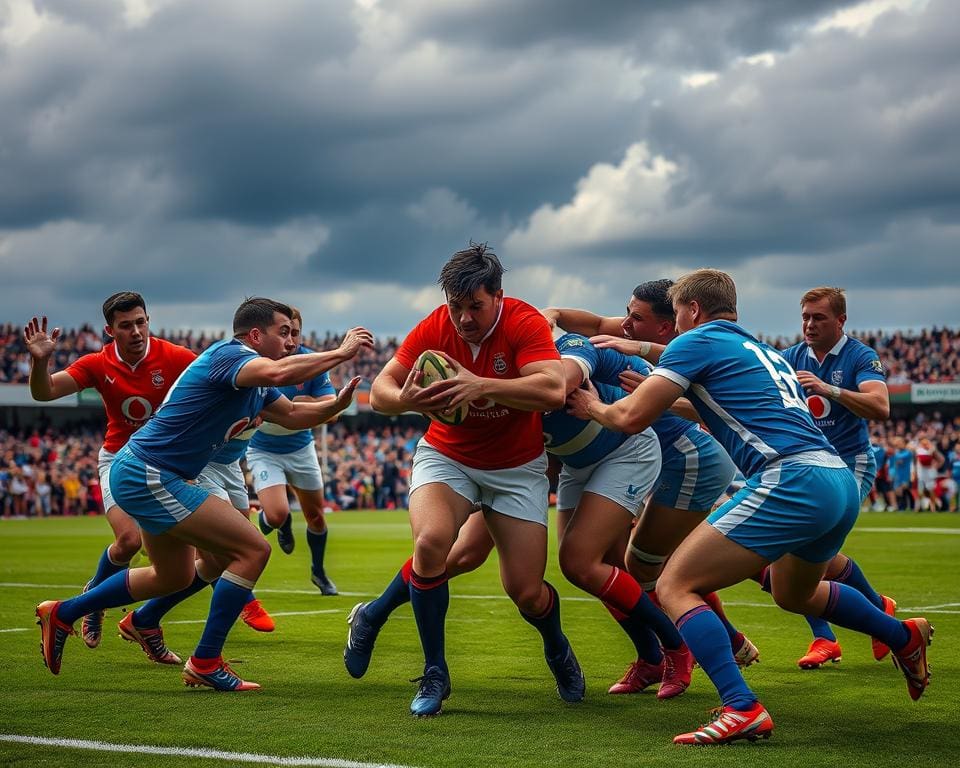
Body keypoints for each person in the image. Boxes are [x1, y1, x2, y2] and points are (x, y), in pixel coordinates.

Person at [566, 269, 932, 745]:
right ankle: (903, 636)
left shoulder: (693, 342)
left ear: (692, 310)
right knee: (793, 594)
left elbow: (628, 419)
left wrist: (590, 404)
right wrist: (654, 383)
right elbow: (719, 409)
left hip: (791, 478)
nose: (676, 324)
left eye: (677, 313)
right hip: (835, 479)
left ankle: (742, 707)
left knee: (676, 583)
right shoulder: (761, 349)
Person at [34, 298, 372, 691]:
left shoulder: (257, 386)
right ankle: (206, 661)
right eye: (283, 332)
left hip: (152, 473)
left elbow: (296, 415)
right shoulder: (230, 355)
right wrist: (342, 352)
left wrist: (337, 404)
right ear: (255, 335)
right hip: (151, 474)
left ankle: (63, 612)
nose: (291, 341)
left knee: (173, 576)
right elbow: (280, 371)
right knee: (251, 550)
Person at [361, 243, 583, 716]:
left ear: (498, 295)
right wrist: (412, 401)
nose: (463, 318)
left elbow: (552, 387)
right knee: (431, 544)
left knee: (526, 590)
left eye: (474, 307)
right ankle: (435, 673)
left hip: (517, 467)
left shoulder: (524, 322)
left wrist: (478, 384)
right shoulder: (434, 326)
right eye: (455, 306)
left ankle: (557, 646)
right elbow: (380, 393)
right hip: (448, 457)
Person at [545, 280, 756, 682]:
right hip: (637, 458)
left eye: (636, 318)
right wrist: (547, 317)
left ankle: (698, 648)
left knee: (645, 568)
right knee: (613, 567)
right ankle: (668, 652)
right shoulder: (629, 337)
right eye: (627, 312)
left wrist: (609, 403)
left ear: (666, 326)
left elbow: (705, 408)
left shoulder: (679, 354)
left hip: (686, 458)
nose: (623, 323)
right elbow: (582, 320)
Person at [24, 293, 197, 648]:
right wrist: (40, 363)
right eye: (126, 325)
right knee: (129, 541)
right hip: (119, 459)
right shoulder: (97, 363)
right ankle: (95, 604)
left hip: (165, 465)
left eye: (141, 322)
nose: (136, 331)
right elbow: (45, 393)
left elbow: (214, 384)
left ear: (148, 320)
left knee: (186, 563)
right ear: (110, 330)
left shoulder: (177, 357)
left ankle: (123, 609)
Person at [780, 286, 897, 668]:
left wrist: (829, 388)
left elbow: (880, 407)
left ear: (841, 321)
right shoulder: (790, 358)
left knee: (805, 546)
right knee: (797, 550)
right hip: (806, 465)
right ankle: (857, 621)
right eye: (805, 317)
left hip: (851, 462)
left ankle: (868, 619)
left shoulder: (860, 356)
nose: (809, 325)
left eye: (819, 318)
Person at [249, 308, 339, 594]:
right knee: (275, 514)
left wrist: (305, 401)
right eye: (285, 333)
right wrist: (305, 407)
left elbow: (332, 410)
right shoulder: (259, 360)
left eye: (295, 333)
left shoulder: (310, 361)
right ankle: (280, 523)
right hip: (263, 448)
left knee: (316, 517)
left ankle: (318, 571)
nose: (290, 340)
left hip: (301, 447)